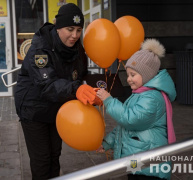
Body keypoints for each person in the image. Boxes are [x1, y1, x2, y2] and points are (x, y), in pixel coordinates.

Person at [14, 3, 100, 179]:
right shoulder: (40, 48)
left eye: (78, 30)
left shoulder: (76, 48)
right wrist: (77, 89)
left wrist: (96, 88)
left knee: (55, 155)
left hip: (57, 106)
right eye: (70, 29)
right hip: (34, 109)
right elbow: (47, 84)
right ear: (58, 26)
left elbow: (81, 74)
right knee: (42, 159)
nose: (75, 35)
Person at [96, 39, 176, 180]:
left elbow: (130, 120)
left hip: (149, 165)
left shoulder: (152, 98)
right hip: (137, 159)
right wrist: (108, 142)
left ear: (147, 76)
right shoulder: (139, 94)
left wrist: (109, 101)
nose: (129, 79)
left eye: (133, 75)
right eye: (128, 75)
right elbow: (124, 127)